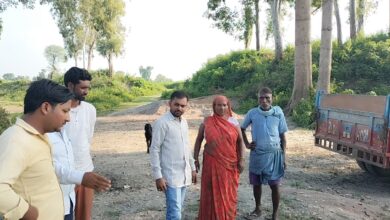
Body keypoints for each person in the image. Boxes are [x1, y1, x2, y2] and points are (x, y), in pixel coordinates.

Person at [0, 79, 73, 220]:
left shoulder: (39, 136)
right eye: (64, 111)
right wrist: (24, 211)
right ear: (45, 107)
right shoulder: (15, 140)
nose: (68, 118)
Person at [194, 95, 245, 220]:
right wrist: (195, 158)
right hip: (211, 163)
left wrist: (242, 159)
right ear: (214, 106)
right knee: (210, 191)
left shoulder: (233, 121)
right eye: (219, 105)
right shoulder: (207, 121)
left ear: (228, 106)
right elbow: (199, 140)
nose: (222, 108)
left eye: (224, 105)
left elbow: (240, 141)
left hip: (230, 164)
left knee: (228, 192)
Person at [241, 87, 288, 220]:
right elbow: (241, 128)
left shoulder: (278, 113)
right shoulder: (253, 113)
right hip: (257, 155)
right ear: (258, 99)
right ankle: (257, 209)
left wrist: (284, 158)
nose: (264, 100)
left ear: (272, 98)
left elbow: (283, 137)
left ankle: (275, 214)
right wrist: (247, 144)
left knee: (275, 185)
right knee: (256, 184)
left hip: (275, 155)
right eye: (261, 98)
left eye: (267, 97)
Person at [150, 91, 197, 220]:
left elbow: (186, 147)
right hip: (170, 176)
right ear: (169, 103)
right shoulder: (162, 123)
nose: (179, 108)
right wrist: (158, 176)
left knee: (176, 209)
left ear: (186, 106)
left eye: (183, 106)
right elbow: (154, 149)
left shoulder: (184, 122)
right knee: (175, 212)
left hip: (183, 173)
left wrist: (192, 168)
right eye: (176, 104)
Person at [48, 129, 112, 220]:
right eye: (65, 113)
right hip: (51, 205)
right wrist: (81, 177)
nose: (68, 118)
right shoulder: (37, 136)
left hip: (67, 201)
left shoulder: (61, 131)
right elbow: (48, 166)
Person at [63, 67, 96, 220]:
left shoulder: (90, 109)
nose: (86, 91)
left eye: (87, 88)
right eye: (82, 87)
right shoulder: (58, 110)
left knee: (84, 217)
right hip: (63, 174)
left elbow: (88, 137)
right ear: (70, 85)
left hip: (86, 170)